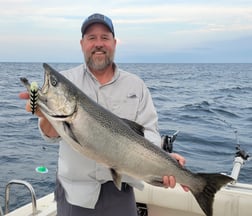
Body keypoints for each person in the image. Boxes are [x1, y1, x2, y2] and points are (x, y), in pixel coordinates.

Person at [19, 13, 188, 216]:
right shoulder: (68, 79)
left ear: (114, 43)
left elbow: (149, 132)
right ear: (82, 44)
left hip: (121, 190)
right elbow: (52, 134)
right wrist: (45, 114)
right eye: (91, 38)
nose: (98, 44)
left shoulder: (136, 85)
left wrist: (164, 160)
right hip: (75, 194)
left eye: (104, 37)